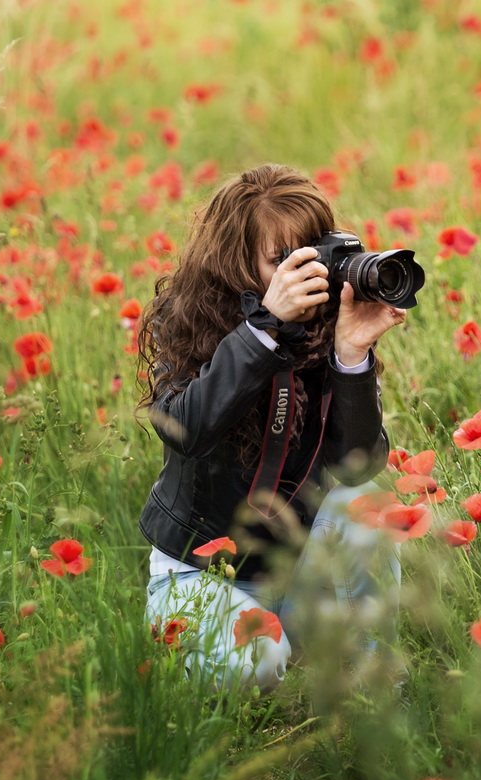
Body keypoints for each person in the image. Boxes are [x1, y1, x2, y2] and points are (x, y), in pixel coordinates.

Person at [135, 163, 410, 694]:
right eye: (281, 259)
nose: (305, 271)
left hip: (297, 568)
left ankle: (374, 687)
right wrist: (263, 330)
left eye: (314, 251)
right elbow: (184, 427)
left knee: (369, 501)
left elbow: (357, 468)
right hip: (201, 576)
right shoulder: (188, 321)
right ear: (236, 264)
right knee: (255, 663)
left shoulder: (329, 324)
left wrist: (351, 356)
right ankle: (224, 647)